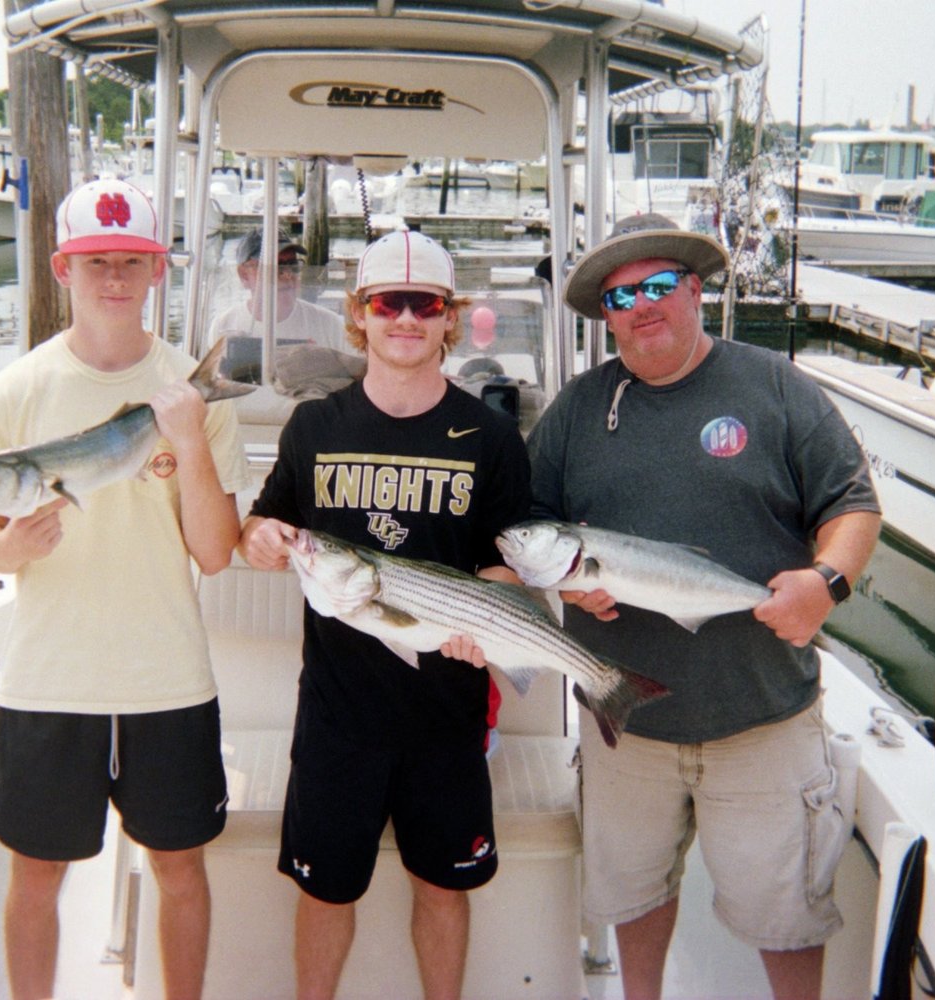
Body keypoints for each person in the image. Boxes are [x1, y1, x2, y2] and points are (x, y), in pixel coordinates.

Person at [527, 214, 881, 1000]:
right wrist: (559, 584)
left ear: (694, 290)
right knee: (634, 893)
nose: (640, 305)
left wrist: (825, 584)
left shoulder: (776, 387)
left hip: (761, 712)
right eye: (620, 295)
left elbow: (854, 505)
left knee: (783, 912)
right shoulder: (578, 411)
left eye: (657, 286)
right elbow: (528, 531)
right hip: (627, 722)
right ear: (604, 314)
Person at [0, 177, 243, 1000]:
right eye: (95, 262)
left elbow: (215, 553)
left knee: (179, 865)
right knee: (35, 871)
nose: (113, 278)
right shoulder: (11, 394)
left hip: (167, 677)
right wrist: (10, 545)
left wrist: (188, 440)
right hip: (49, 678)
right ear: (61, 269)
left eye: (131, 260)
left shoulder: (187, 393)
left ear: (158, 269)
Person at [239, 229, 531, 1000]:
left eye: (424, 303)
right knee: (325, 890)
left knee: (443, 887)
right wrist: (261, 537)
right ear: (358, 316)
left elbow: (504, 557)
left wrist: (493, 614)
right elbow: (263, 525)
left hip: (448, 711)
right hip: (338, 716)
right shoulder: (313, 427)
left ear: (448, 318)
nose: (405, 318)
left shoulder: (492, 438)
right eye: (386, 302)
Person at [208, 228, 346, 350]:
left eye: (293, 265)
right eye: (275, 267)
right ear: (244, 275)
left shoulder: (332, 326)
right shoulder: (222, 327)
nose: (287, 274)